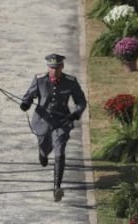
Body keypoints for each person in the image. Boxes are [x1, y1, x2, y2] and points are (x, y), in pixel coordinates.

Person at [20, 53, 87, 202]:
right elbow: (29, 95)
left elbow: (81, 101)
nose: (54, 71)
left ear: (62, 67)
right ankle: (43, 153)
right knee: (45, 147)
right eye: (51, 68)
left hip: (62, 121)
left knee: (60, 149)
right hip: (43, 121)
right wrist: (25, 103)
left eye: (57, 68)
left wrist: (75, 114)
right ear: (48, 67)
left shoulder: (71, 82)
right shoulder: (40, 80)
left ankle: (57, 187)